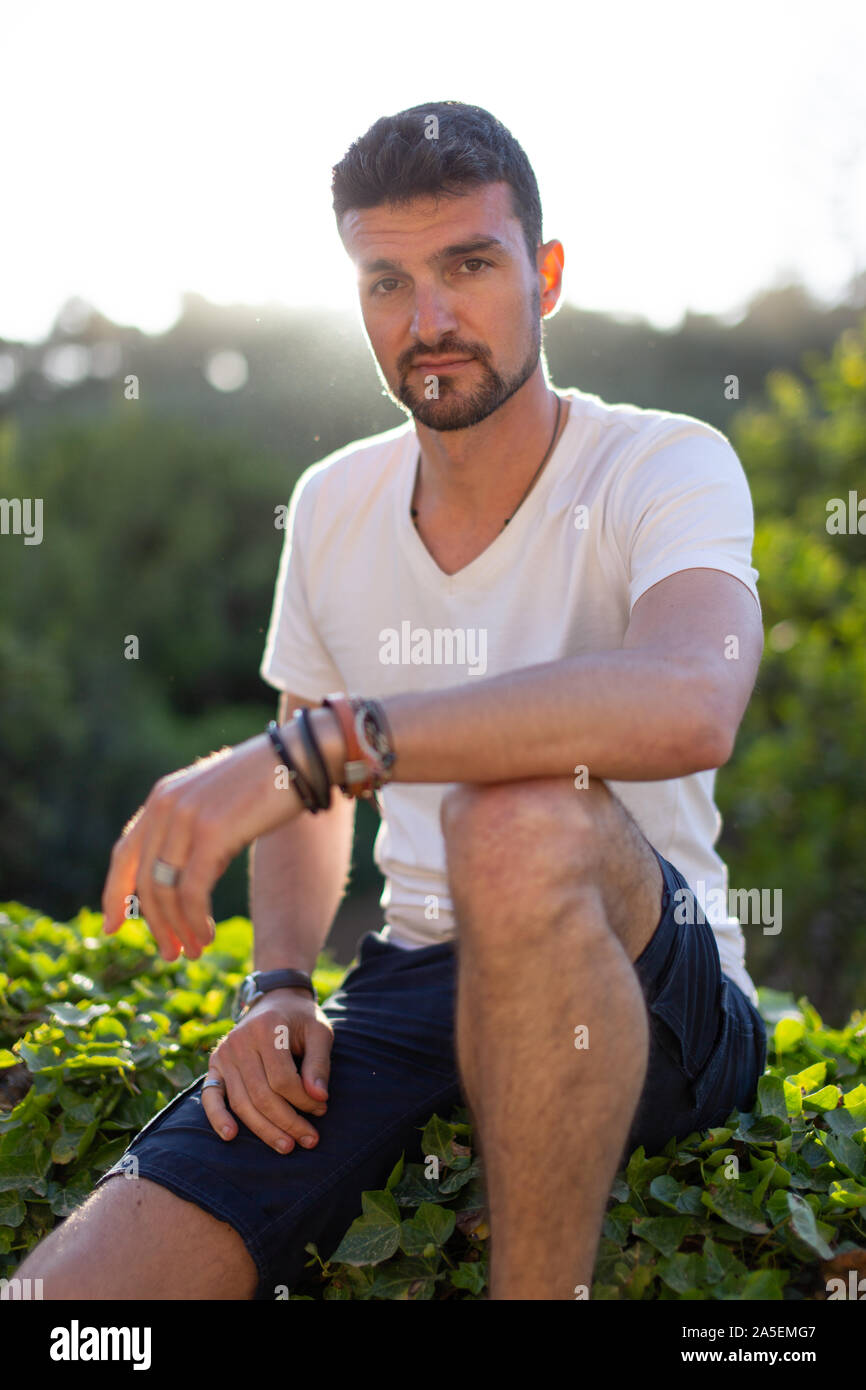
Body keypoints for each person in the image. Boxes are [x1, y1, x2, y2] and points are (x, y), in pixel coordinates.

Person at [16, 101, 767, 1302]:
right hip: (417, 980)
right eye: (384, 281)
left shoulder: (662, 463)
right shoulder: (331, 502)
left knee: (513, 822)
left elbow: (689, 700)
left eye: (468, 265)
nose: (428, 321)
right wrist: (277, 984)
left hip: (646, 970)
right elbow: (307, 811)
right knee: (69, 1307)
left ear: (546, 275)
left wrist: (326, 744)